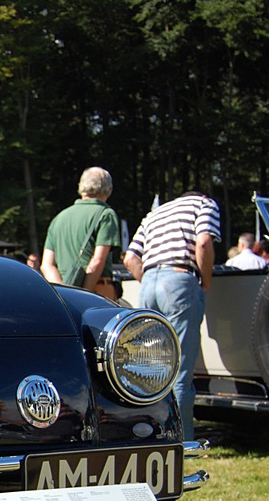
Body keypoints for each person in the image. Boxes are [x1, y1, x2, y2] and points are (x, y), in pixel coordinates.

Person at [123, 192, 221, 441]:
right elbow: (203, 242)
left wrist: (150, 281)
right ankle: (183, 440)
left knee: (148, 368)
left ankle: (150, 435)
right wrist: (205, 282)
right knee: (180, 367)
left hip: (149, 284)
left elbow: (130, 258)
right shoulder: (203, 203)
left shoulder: (155, 214)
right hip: (179, 280)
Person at [41, 167, 121, 300]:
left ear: (81, 187)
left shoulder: (59, 218)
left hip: (63, 297)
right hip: (97, 293)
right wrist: (82, 296)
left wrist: (63, 297)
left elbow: (46, 265)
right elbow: (97, 261)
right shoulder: (106, 215)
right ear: (109, 190)